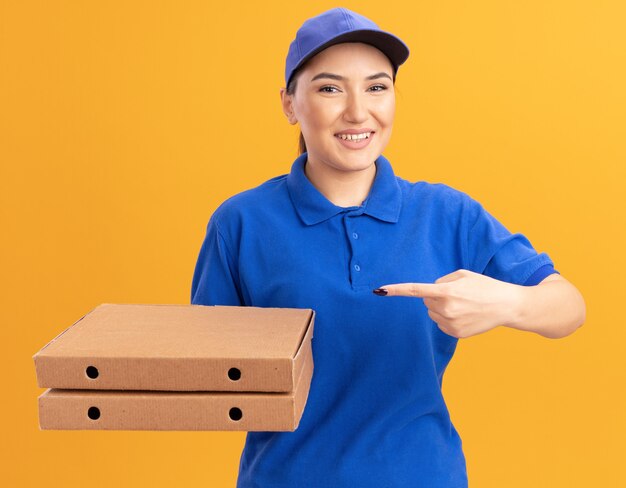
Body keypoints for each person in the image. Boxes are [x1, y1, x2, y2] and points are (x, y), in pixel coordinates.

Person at [191, 7, 586, 488]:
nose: (358, 111)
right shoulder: (241, 223)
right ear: (289, 104)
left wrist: (509, 302)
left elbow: (569, 307)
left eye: (377, 87)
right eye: (330, 88)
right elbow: (207, 372)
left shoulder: (446, 213)